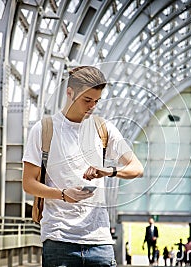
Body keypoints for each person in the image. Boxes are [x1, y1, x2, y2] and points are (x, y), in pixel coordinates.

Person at [22, 66, 144, 267]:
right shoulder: (44, 129)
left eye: (96, 101)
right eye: (87, 100)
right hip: (59, 239)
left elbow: (137, 167)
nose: (92, 107)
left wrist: (110, 171)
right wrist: (62, 194)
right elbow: (28, 183)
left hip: (100, 242)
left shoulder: (103, 129)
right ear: (69, 92)